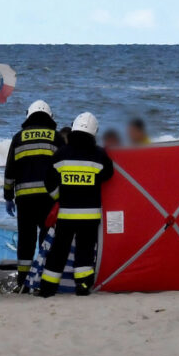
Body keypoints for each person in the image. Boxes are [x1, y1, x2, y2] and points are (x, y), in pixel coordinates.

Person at [40, 112, 114, 297]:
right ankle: (82, 287)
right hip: (90, 215)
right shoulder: (99, 154)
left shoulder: (62, 153)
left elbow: (48, 181)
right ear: (93, 132)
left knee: (59, 251)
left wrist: (59, 197)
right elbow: (108, 174)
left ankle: (47, 289)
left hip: (66, 215)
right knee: (85, 251)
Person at [3, 100, 64, 288]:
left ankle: (23, 282)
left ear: (28, 116)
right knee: (47, 239)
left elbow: (10, 171)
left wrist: (8, 197)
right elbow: (63, 168)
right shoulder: (56, 137)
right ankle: (45, 279)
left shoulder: (18, 138)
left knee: (26, 241)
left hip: (25, 200)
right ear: (50, 117)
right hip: (49, 199)